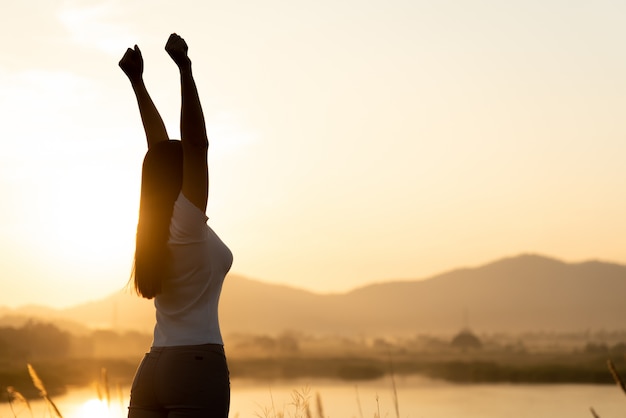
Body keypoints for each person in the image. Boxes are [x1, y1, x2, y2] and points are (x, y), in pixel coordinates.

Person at [119, 33, 233, 418]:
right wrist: (185, 69)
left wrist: (138, 84)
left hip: (153, 367)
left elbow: (160, 148)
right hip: (195, 366)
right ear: (177, 174)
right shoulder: (185, 223)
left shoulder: (154, 229)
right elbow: (195, 144)